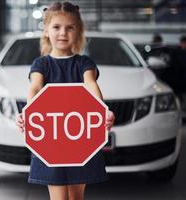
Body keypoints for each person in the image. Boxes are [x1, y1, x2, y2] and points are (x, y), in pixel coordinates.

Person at [16, 2, 115, 200]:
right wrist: (29, 113)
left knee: (77, 197)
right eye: (56, 27)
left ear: (77, 31)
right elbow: (35, 87)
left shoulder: (84, 63)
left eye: (70, 27)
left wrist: (102, 111)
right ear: (45, 31)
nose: (63, 33)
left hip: (80, 143)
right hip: (51, 144)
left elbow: (91, 84)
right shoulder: (41, 64)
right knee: (59, 198)